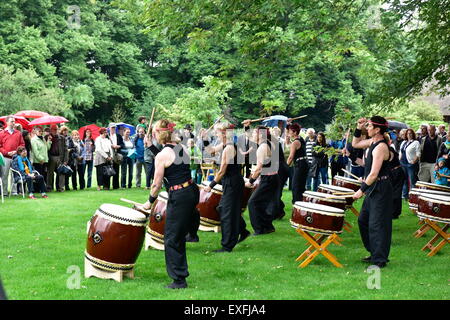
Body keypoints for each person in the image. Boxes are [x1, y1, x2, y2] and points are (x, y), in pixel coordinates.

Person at [142, 119, 200, 289]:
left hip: (180, 196)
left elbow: (156, 184)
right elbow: (171, 161)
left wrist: (149, 202)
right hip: (191, 191)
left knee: (172, 238)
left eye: (154, 132)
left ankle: (179, 280)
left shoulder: (162, 155)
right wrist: (151, 147)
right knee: (178, 234)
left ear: (159, 133)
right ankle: (181, 271)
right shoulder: (181, 148)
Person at [352, 116, 393, 268]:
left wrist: (360, 191)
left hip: (381, 188)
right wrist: (358, 127)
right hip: (373, 187)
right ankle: (374, 251)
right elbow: (355, 143)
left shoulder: (381, 146)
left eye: (369, 126)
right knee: (363, 220)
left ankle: (380, 259)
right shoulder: (372, 142)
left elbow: (374, 174)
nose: (366, 128)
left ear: (377, 130)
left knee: (377, 224)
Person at [204, 122, 251, 252]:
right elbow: (211, 151)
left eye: (217, 132)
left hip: (233, 182)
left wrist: (211, 185)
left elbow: (222, 171)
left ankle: (227, 245)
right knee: (225, 209)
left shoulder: (229, 148)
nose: (216, 134)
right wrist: (204, 140)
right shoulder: (224, 145)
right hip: (230, 181)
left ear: (224, 133)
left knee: (226, 212)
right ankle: (243, 230)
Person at [245, 124, 280, 235]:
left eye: (255, 132)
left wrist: (250, 181)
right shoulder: (268, 143)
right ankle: (268, 227)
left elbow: (259, 168)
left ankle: (259, 229)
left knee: (252, 202)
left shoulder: (262, 148)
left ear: (260, 134)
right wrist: (247, 127)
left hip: (269, 178)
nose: (253, 135)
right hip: (272, 177)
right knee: (261, 203)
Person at [0, 116, 25, 195]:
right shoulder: (1, 133)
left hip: (15, 157)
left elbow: (22, 144)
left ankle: (14, 191)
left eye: (14, 121)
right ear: (7, 122)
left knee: (15, 174)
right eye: (11, 121)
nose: (13, 123)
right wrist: (6, 153)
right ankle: (4, 192)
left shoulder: (18, 133)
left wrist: (16, 151)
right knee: (4, 174)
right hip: (5, 157)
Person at [286, 123, 308, 203]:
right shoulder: (301, 138)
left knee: (296, 186)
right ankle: (302, 204)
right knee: (301, 186)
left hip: (300, 165)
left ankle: (296, 204)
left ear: (295, 132)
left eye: (290, 131)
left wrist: (285, 167)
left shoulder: (295, 143)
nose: (288, 133)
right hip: (304, 164)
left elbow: (291, 157)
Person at [399, 129, 420, 199]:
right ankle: (404, 195)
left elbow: (418, 153)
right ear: (406, 135)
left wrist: (414, 161)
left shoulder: (416, 142)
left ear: (413, 134)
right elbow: (400, 152)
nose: (409, 135)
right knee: (404, 180)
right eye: (408, 133)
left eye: (410, 133)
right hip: (403, 163)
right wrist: (399, 160)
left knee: (412, 180)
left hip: (410, 164)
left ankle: (412, 197)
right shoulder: (404, 142)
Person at [47, 125, 69, 192]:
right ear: (51, 130)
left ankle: (60, 188)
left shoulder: (62, 138)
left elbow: (66, 149)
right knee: (50, 174)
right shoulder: (47, 137)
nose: (55, 131)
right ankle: (49, 188)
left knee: (61, 173)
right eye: (54, 129)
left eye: (56, 129)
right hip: (51, 157)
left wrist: (65, 160)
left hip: (60, 157)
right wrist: (48, 139)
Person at [108, 123, 123, 190]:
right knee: (108, 170)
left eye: (114, 128)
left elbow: (122, 144)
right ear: (109, 128)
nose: (113, 129)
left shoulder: (118, 136)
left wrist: (118, 146)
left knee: (116, 170)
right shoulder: (107, 136)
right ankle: (107, 186)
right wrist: (111, 145)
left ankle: (116, 186)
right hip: (109, 155)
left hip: (116, 155)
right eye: (112, 128)